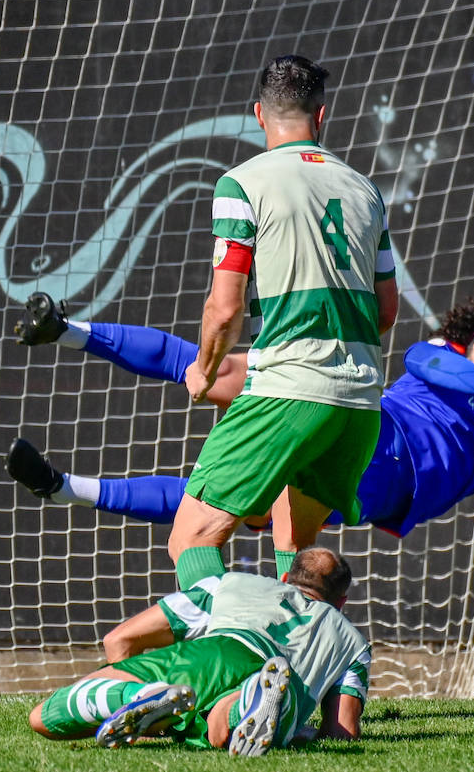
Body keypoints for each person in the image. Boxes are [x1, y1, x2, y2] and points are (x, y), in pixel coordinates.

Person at [9, 296, 474, 556]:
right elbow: (435, 364)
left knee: (215, 503)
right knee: (213, 369)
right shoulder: (442, 361)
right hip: (357, 420)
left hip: (362, 492)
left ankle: (65, 489)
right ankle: (68, 328)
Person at [167, 54, 399, 590]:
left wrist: (204, 370)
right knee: (295, 552)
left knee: (193, 538)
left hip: (289, 390)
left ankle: (229, 661)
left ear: (258, 115)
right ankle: (299, 671)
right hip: (359, 405)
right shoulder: (366, 191)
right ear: (322, 115)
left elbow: (225, 310)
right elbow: (386, 311)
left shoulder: (242, 184)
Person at [27, 546, 369, 756]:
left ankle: (143, 694)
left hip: (212, 653)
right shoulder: (352, 642)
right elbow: (342, 731)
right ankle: (254, 702)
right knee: (225, 726)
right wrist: (303, 732)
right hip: (287, 680)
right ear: (341, 602)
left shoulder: (228, 583)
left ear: (283, 577)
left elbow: (119, 639)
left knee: (44, 717)